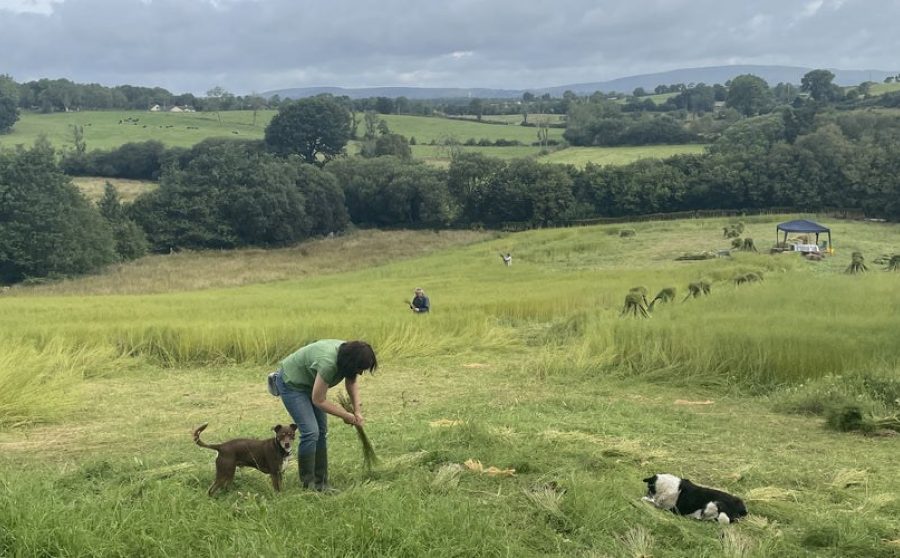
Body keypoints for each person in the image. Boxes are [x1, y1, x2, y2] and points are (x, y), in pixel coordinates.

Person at [272, 339, 377, 491]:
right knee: (311, 432)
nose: (360, 372)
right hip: (292, 384)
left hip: (311, 384)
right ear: (350, 362)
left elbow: (351, 382)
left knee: (321, 431)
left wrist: (357, 410)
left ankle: (322, 484)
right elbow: (318, 400)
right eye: (359, 368)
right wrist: (345, 415)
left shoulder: (349, 354)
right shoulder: (329, 363)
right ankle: (309, 486)